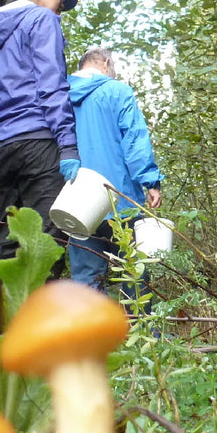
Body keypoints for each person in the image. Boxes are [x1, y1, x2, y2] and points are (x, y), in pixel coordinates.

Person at [0, 0, 81, 299]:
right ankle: (34, 342)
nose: (61, 7)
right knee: (47, 242)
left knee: (1, 242)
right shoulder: (42, 19)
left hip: (3, 148)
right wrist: (68, 145)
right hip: (39, 140)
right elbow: (51, 85)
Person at [67, 47, 164, 300]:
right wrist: (150, 181)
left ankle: (90, 338)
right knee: (134, 271)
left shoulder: (59, 95)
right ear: (107, 63)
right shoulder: (117, 91)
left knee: (86, 278)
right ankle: (142, 335)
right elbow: (134, 140)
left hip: (76, 200)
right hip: (121, 199)